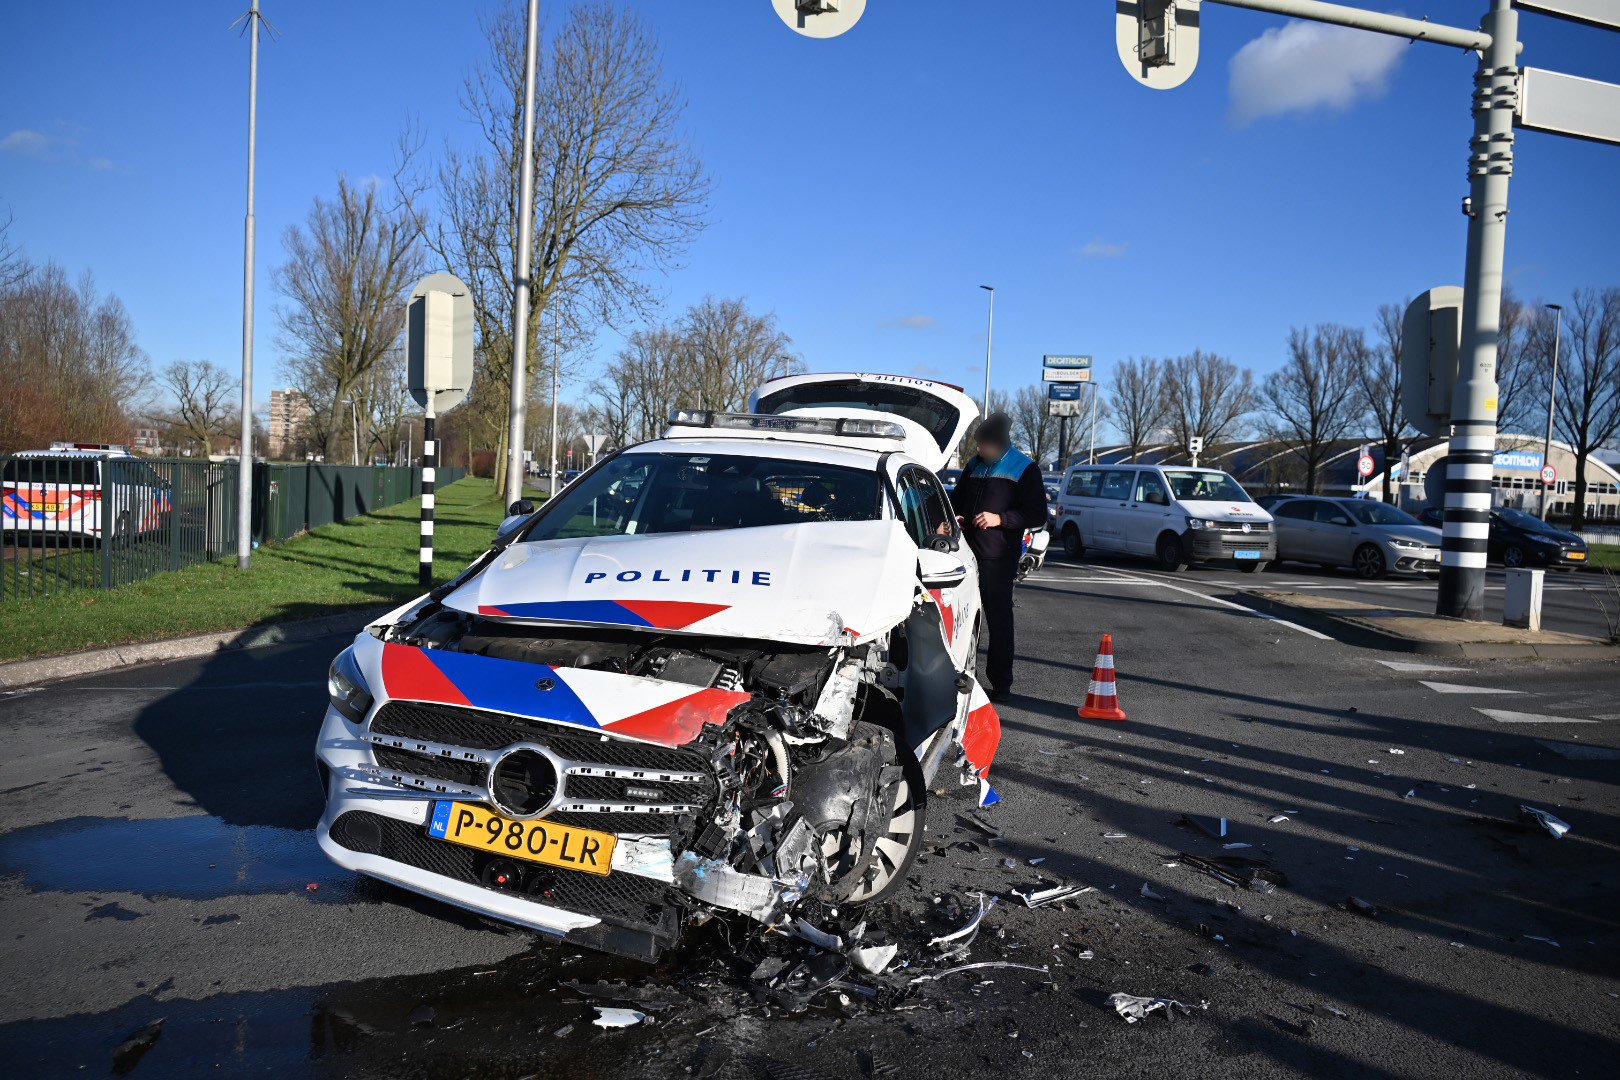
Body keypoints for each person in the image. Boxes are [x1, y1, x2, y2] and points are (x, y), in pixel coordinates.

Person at [952, 413, 1047, 702]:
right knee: (964, 620)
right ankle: (965, 678)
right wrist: (954, 515)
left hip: (998, 558)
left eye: (985, 446)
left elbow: (1037, 514)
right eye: (979, 445)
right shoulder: (974, 464)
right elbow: (957, 499)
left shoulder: (1024, 468)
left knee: (998, 620)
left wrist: (999, 519)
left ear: (1000, 445)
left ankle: (1001, 684)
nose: (981, 451)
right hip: (966, 555)